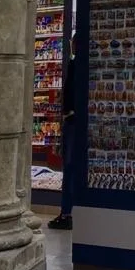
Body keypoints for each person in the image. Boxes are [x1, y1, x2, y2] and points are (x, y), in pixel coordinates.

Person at [48, 34, 76, 230]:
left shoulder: (75, 66)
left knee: (70, 167)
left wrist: (67, 114)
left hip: (72, 122)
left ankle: (67, 213)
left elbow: (70, 94)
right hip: (75, 121)